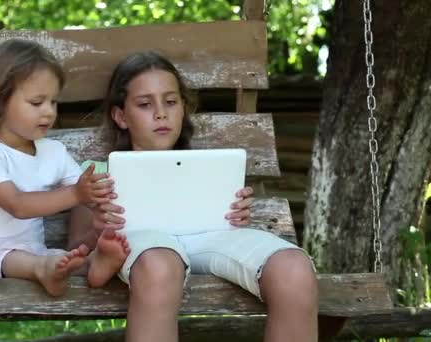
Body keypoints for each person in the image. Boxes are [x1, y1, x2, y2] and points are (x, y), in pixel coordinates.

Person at [69, 51, 318, 341]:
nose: (161, 113)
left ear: (182, 108)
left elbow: (226, 231)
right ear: (121, 116)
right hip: (144, 247)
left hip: (208, 239)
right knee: (159, 265)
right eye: (145, 104)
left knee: (293, 269)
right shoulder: (97, 174)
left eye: (171, 102)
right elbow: (76, 248)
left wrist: (237, 212)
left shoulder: (210, 169)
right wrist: (97, 231)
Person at [0, 39, 130, 297]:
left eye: (53, 102)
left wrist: (102, 212)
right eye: (37, 103)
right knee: (14, 258)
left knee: (60, 259)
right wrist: (76, 195)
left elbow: (87, 192)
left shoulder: (52, 151)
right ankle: (43, 270)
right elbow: (18, 205)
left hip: (34, 253)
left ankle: (94, 264)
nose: (48, 112)